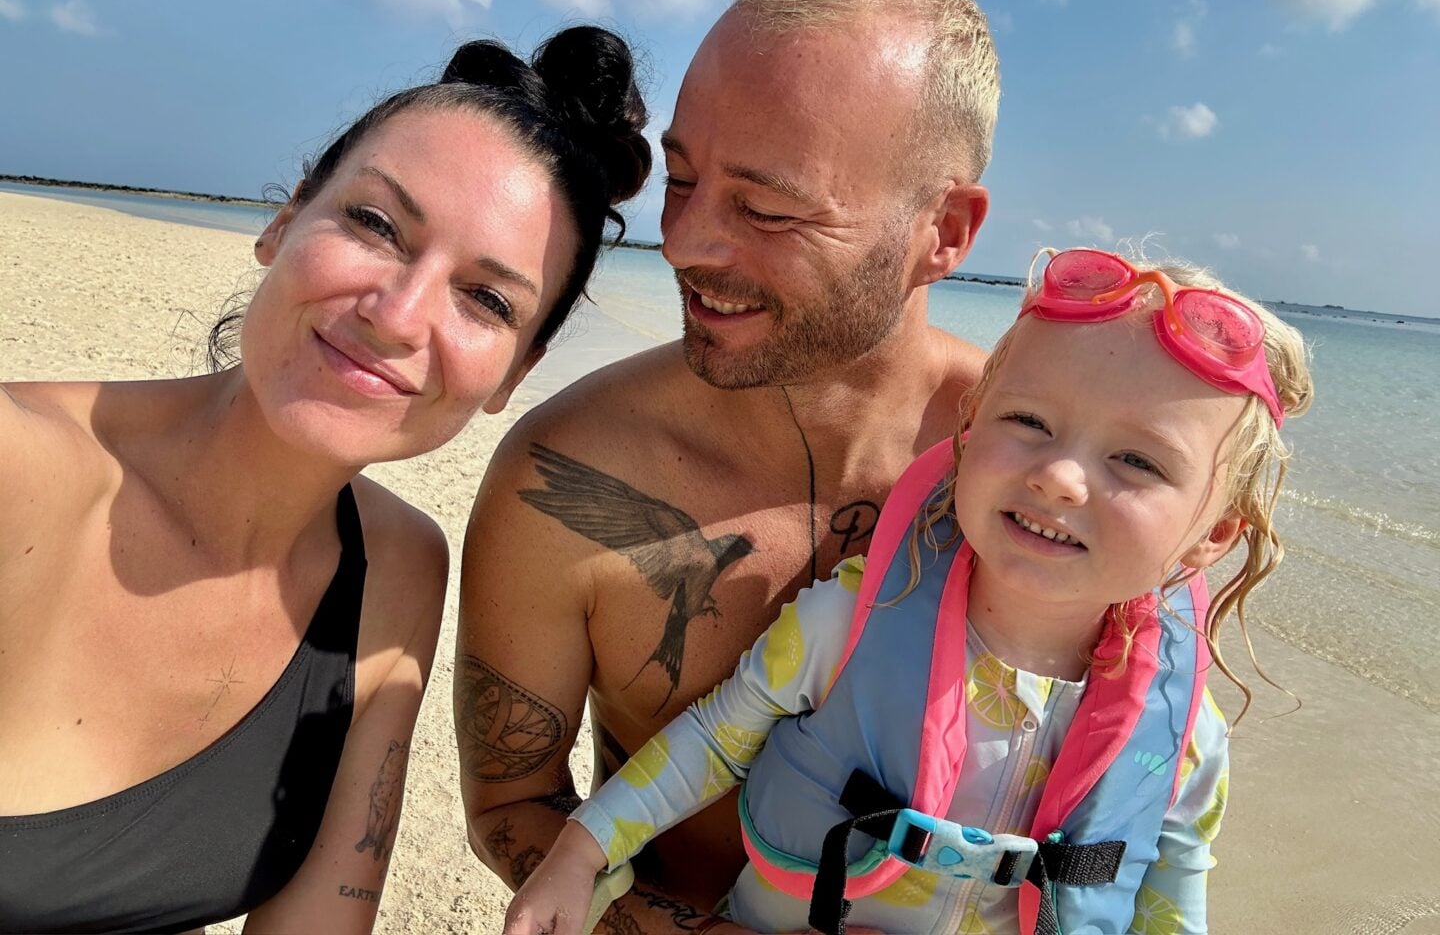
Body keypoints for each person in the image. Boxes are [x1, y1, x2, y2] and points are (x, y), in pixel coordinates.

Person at [0, 25, 649, 934]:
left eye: (487, 300)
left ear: (515, 375)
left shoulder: (395, 568)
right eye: (377, 225)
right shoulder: (21, 475)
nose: (399, 315)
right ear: (284, 217)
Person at [503, 247, 1315, 935]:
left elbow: (1174, 895)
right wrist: (583, 849)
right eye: (1029, 421)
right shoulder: (852, 621)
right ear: (967, 436)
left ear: (1213, 537)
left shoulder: (1185, 741)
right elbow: (713, 743)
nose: (1061, 477)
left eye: (1137, 462)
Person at [457, 0, 999, 931]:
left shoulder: (1039, 465)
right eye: (682, 177)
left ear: (944, 232)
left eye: (767, 206)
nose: (688, 241)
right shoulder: (570, 469)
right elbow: (511, 802)